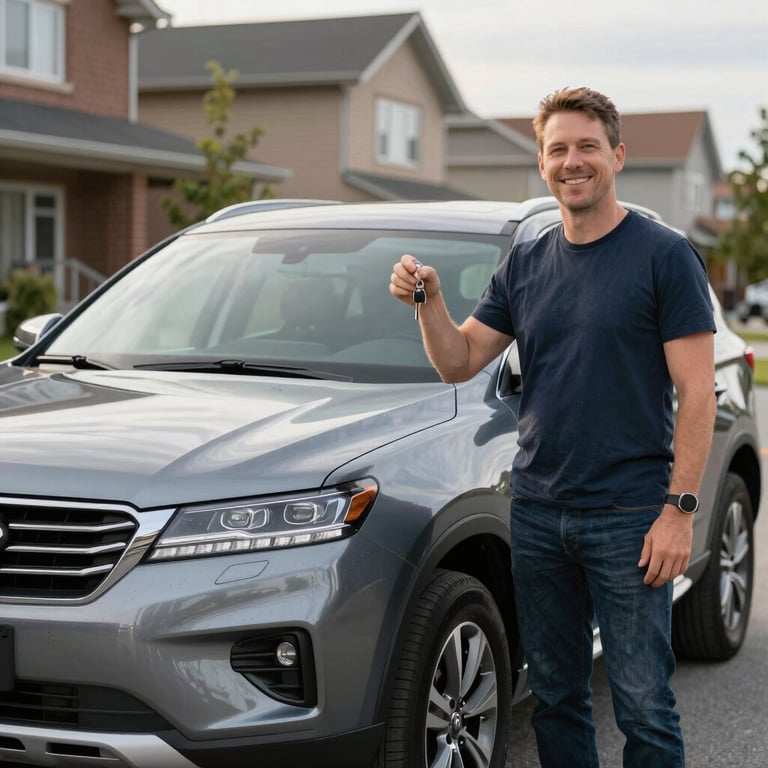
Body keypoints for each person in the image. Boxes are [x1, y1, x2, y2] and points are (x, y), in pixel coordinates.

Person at [389, 86, 716, 768]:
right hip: (538, 515)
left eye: (587, 147)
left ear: (617, 156)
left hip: (629, 516)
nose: (573, 161)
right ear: (542, 164)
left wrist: (679, 512)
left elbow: (696, 394)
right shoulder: (529, 259)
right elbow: (460, 361)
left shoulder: (663, 256)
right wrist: (431, 302)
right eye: (558, 149)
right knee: (557, 700)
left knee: (643, 703)